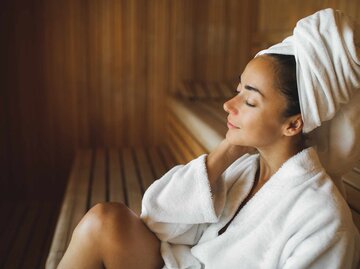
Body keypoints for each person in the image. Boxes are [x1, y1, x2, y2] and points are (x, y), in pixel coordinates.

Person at [57, 8, 360, 269]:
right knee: (105, 220)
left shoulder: (323, 219)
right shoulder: (246, 170)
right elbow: (157, 220)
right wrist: (225, 151)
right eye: (238, 89)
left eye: (250, 101)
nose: (229, 105)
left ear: (294, 124)